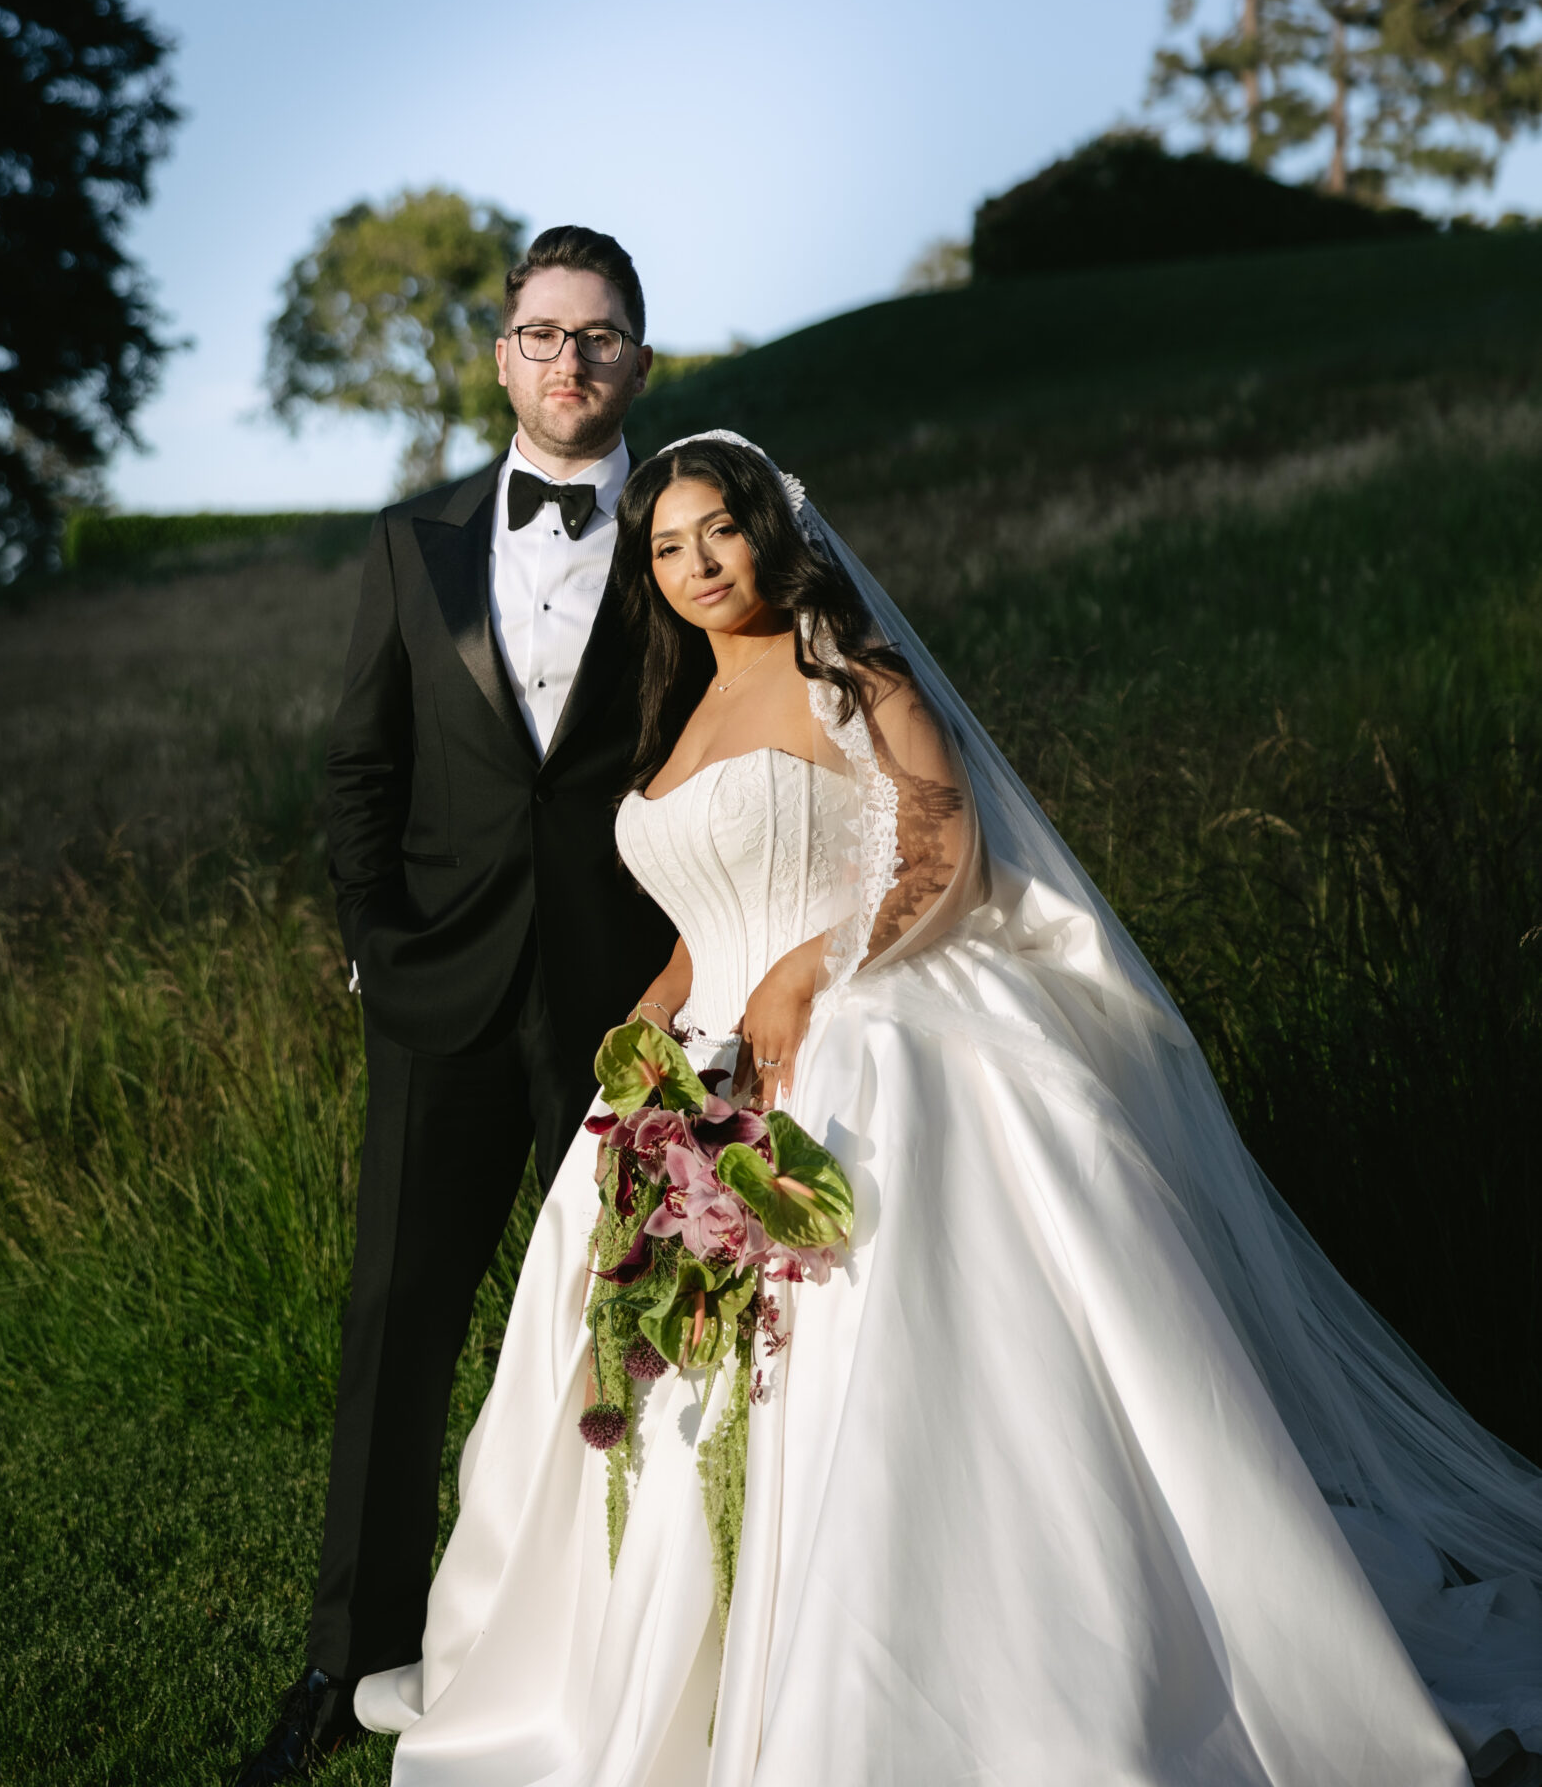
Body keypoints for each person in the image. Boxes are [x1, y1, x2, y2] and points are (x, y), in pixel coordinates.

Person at [347, 431, 1542, 1787]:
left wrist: (811, 970)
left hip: (862, 1018)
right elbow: (695, 897)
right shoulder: (678, 711)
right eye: (666, 547)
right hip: (697, 1059)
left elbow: (940, 850)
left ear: (771, 534)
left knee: (867, 1327)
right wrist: (660, 1001)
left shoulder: (855, 678)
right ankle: (674, 1659)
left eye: (715, 535)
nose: (694, 567)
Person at [234, 227, 702, 1787]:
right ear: (502, 355)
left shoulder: (692, 541)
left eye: (603, 337)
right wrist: (372, 938)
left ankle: (636, 1660)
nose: (573, 362)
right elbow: (359, 768)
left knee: (636, 1333)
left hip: (633, 1005)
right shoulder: (410, 545)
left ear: (642, 359)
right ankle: (346, 1657)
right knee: (398, 1327)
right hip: (437, 995)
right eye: (544, 335)